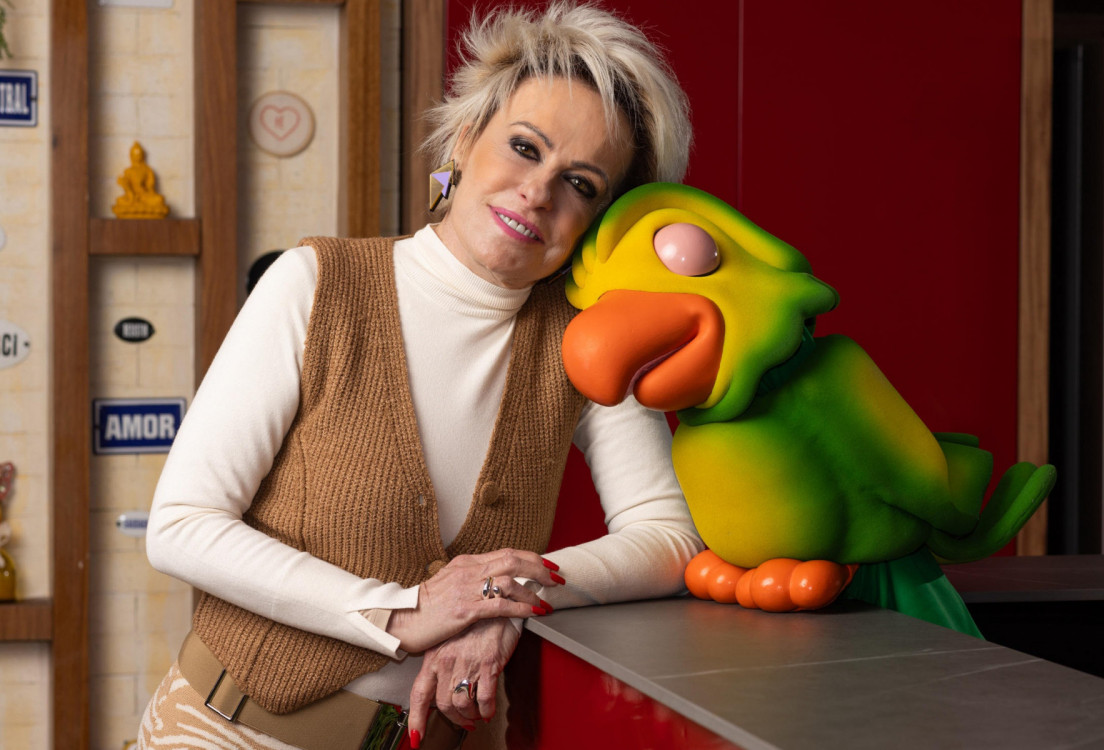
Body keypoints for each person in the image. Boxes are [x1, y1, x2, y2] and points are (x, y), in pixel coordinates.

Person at [138, 3, 703, 749]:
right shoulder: (317, 284)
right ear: (465, 138)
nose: (539, 192)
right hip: (228, 728)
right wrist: (399, 612)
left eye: (581, 183)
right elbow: (181, 526)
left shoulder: (586, 339)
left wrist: (507, 596)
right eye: (524, 147)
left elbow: (670, 539)